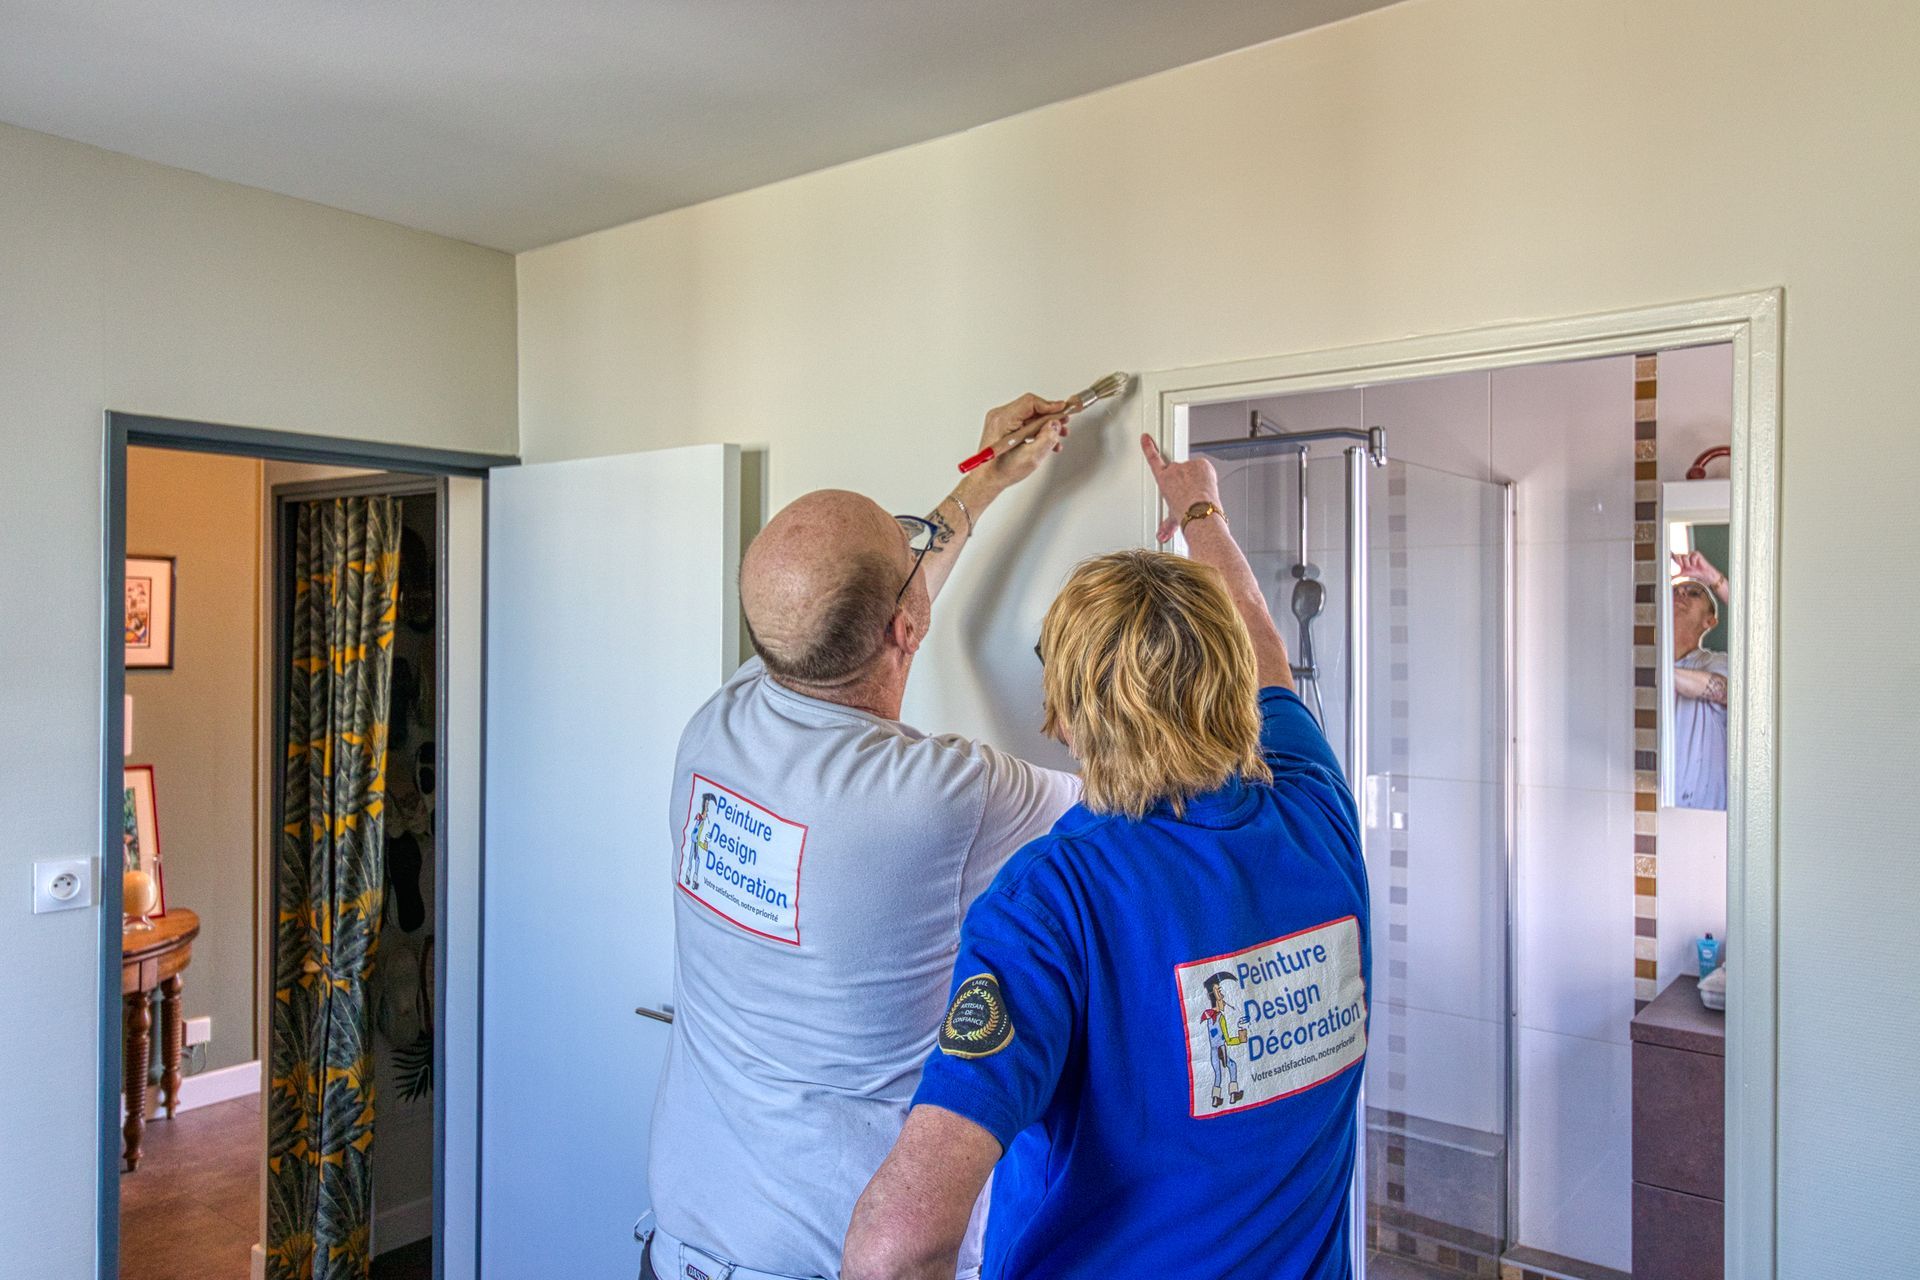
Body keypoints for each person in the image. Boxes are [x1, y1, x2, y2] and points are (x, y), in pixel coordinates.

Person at [843, 435, 1370, 1280]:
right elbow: (1265, 641)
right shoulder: (1315, 806)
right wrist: (1198, 508)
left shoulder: (1052, 901)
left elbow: (894, 1247)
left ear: (1064, 714)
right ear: (1231, 679)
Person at [641, 394, 1087, 1280]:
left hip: (681, 1239)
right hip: (833, 1260)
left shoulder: (719, 723)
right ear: (906, 629)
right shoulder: (943, 797)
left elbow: (867, 612)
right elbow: (1138, 786)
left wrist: (987, 478)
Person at [1670, 549, 1732, 810]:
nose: (1681, 594)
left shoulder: (1715, 663)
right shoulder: (1638, 662)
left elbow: (1722, 689)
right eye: (1675, 590)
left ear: (1710, 621)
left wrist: (1711, 577)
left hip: (1703, 820)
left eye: (1694, 593)